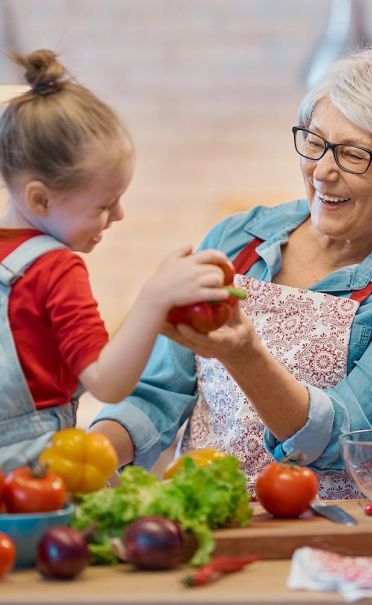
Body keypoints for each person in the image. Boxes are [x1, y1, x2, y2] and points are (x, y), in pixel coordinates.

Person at [91, 45, 372, 498]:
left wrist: (245, 355)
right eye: (315, 141)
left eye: (352, 154)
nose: (322, 172)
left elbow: (342, 441)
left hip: (338, 534)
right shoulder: (235, 241)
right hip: (211, 520)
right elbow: (157, 394)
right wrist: (84, 457)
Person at [0, 50, 230, 472]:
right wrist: (153, 299)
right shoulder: (54, 269)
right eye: (105, 204)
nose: (118, 216)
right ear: (40, 198)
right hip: (29, 480)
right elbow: (108, 383)